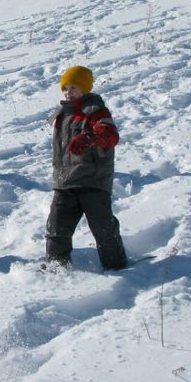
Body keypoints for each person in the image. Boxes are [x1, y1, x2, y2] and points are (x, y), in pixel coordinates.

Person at [45, 65, 127, 270]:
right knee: (57, 226)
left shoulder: (96, 111)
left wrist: (90, 137)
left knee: (102, 227)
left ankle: (116, 265)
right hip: (65, 182)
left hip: (93, 180)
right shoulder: (62, 114)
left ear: (85, 89)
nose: (68, 92)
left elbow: (111, 136)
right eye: (65, 88)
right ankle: (57, 265)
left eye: (73, 88)